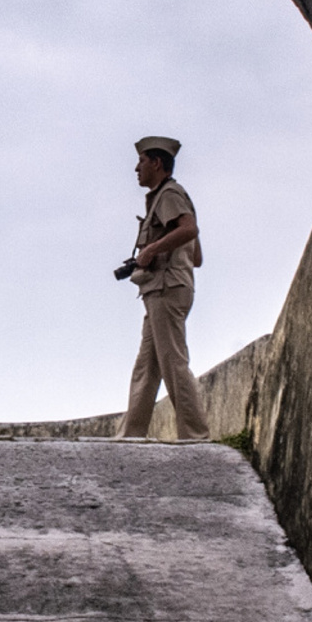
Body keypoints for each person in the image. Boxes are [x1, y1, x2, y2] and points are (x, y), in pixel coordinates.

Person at [121, 135, 210, 442]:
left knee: (173, 363)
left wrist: (151, 250)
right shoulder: (167, 197)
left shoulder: (169, 194)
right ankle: (130, 435)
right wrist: (165, 251)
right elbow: (196, 256)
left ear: (157, 163)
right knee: (147, 366)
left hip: (166, 289)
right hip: (164, 289)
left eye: (142, 162)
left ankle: (196, 436)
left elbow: (189, 229)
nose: (137, 168)